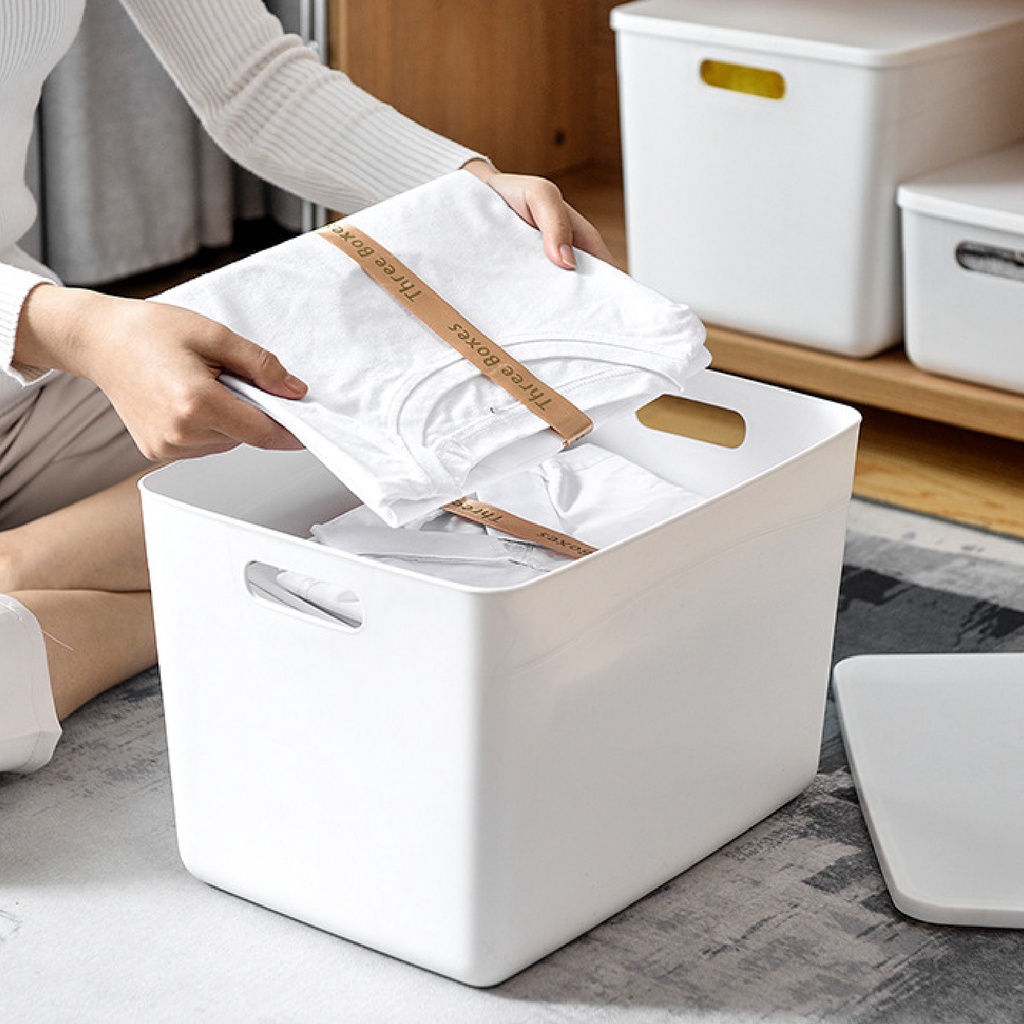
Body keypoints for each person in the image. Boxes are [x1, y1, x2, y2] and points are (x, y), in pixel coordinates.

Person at [0, 0, 613, 773]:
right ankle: (180, 589)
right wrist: (79, 329)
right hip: (47, 333)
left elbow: (254, 83)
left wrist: (469, 192)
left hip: (25, 395)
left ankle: (22, 565)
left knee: (437, 411)